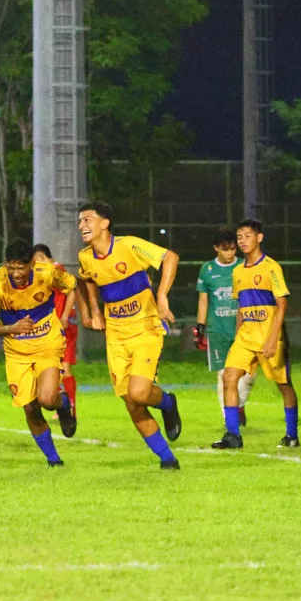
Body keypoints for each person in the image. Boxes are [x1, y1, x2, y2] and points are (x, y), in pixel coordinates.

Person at [76, 201, 182, 470]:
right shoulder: (85, 257)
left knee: (139, 391)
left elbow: (170, 257)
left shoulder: (129, 245)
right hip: (116, 336)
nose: (82, 225)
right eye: (79, 221)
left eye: (87, 219)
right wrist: (95, 311)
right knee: (132, 403)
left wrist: (161, 296)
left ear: (105, 223)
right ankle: (167, 459)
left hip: (145, 328)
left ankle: (168, 403)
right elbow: (86, 278)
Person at [0, 239, 79, 467]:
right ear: (6, 264)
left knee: (46, 399)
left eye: (21, 267)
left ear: (31, 264)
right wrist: (11, 328)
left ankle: (63, 404)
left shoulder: (46, 272)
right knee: (30, 408)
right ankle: (54, 461)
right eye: (11, 267)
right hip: (17, 353)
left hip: (47, 344)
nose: (16, 273)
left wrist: (66, 316)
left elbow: (72, 286)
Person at [211, 219, 299, 450]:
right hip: (246, 337)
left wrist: (272, 338)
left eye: (248, 236)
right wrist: (238, 336)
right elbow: (241, 306)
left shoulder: (271, 267)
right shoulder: (238, 271)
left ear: (259, 238)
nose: (243, 240)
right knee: (229, 378)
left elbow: (281, 305)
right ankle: (233, 436)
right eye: (240, 237)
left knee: (284, 386)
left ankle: (292, 434)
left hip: (269, 336)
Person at [194, 228, 256, 425]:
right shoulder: (207, 270)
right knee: (223, 376)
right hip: (217, 330)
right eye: (225, 249)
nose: (230, 253)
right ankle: (229, 422)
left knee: (248, 376)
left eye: (232, 249)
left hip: (243, 330)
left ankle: (237, 404)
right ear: (216, 249)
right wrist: (201, 327)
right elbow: (204, 301)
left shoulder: (244, 266)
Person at [32, 244, 82, 419]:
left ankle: (69, 409)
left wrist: (65, 317)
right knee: (57, 367)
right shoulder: (51, 271)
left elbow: (72, 291)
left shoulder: (55, 270)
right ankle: (64, 405)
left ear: (40, 258)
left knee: (63, 367)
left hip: (63, 326)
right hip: (57, 326)